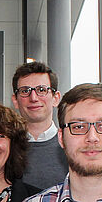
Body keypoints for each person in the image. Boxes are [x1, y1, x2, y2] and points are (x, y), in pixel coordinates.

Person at [10, 61, 67, 190]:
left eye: (41, 90)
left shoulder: (72, 146)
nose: (34, 98)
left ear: (56, 98)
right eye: (25, 91)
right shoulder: (3, 148)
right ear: (15, 100)